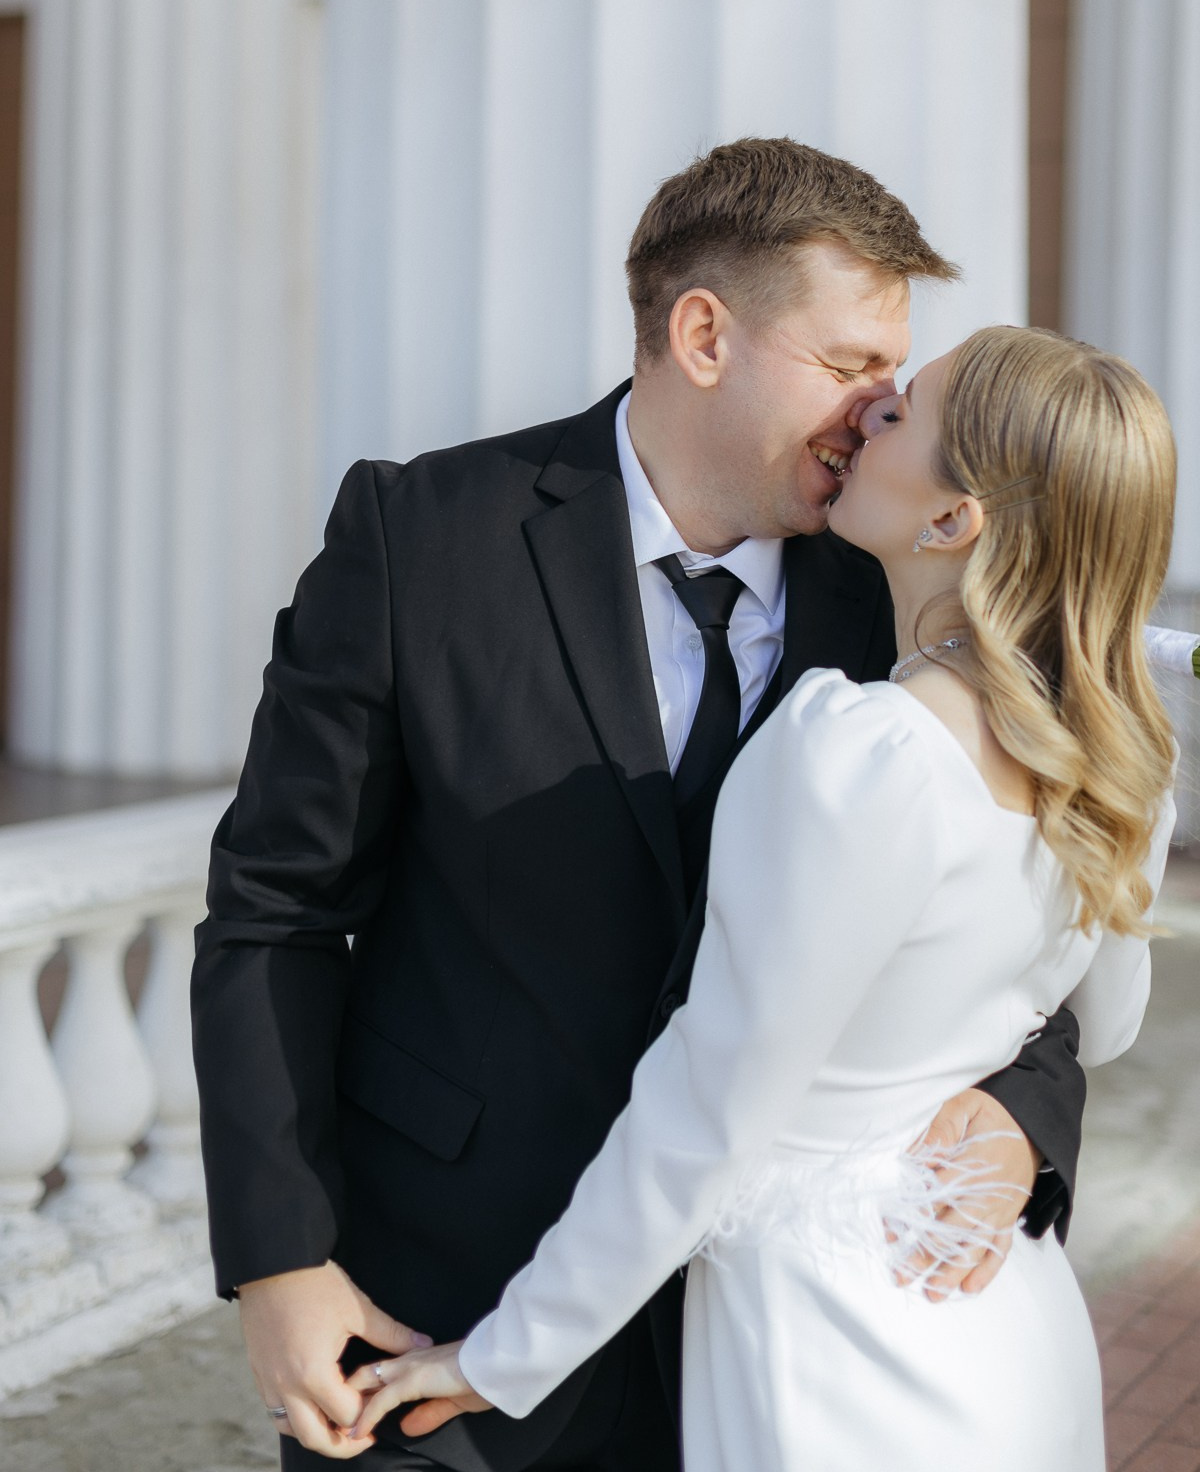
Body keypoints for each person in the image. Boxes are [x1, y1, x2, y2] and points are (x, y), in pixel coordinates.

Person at [191, 140, 1088, 1470]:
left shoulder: (909, 593)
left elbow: (1028, 903)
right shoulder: (418, 535)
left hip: (783, 1343)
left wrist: (1025, 1110)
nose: (880, 409)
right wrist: (281, 1261)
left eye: (894, 376)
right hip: (436, 1308)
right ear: (705, 333)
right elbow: (274, 909)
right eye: (849, 368)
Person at [347, 324, 1177, 1470]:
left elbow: (710, 1101)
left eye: (903, 413)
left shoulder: (862, 752)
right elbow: (1107, 1018)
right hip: (1004, 1330)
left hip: (837, 1346)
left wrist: (503, 1357)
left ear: (952, 522)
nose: (869, 407)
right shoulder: (1121, 759)